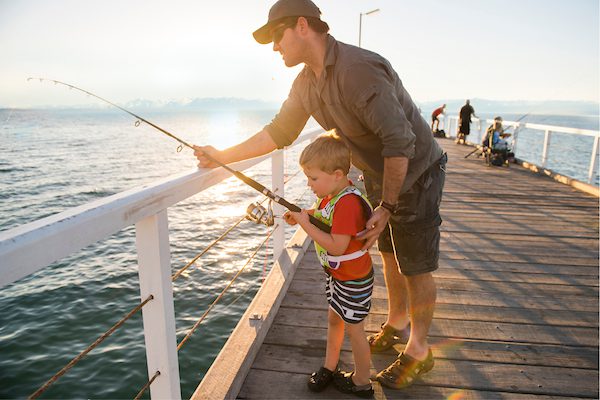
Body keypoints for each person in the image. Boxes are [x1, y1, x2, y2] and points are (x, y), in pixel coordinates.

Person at [193, 0, 446, 390]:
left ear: (301, 26)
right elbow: (279, 132)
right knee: (389, 251)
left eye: (277, 37)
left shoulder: (358, 70)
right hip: (377, 168)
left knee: (416, 261)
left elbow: (400, 141)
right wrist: (222, 156)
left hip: (415, 168)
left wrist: (387, 205)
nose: (275, 48)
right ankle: (397, 321)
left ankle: (419, 350)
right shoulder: (305, 83)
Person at [283, 132, 375, 397]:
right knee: (335, 319)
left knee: (356, 331)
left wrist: (304, 225)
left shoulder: (347, 203)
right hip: (338, 276)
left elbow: (337, 245)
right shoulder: (331, 196)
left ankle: (362, 382)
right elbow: (322, 214)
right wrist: (305, 214)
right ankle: (329, 366)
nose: (309, 184)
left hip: (353, 279)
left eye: (313, 179)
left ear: (336, 174)